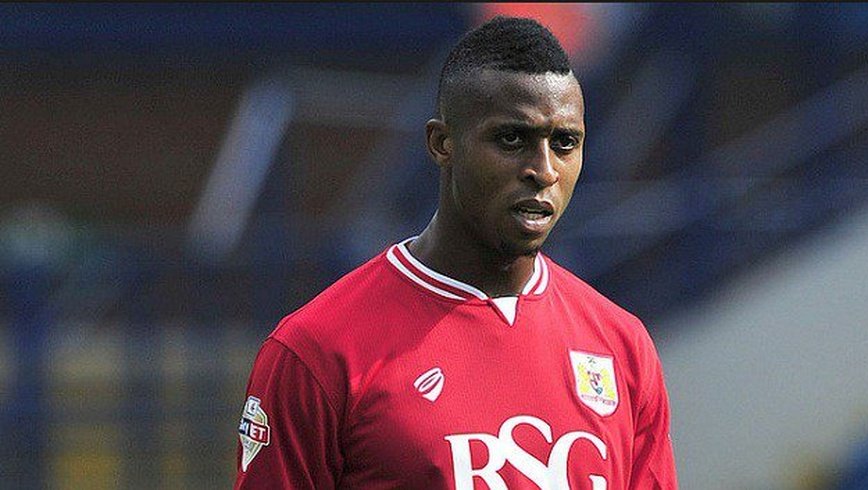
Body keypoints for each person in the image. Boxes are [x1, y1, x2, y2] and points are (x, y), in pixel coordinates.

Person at [234, 16, 677, 489]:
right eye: (512, 139)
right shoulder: (317, 351)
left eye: (564, 143)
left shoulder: (622, 347)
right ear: (442, 144)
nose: (544, 170)